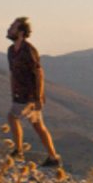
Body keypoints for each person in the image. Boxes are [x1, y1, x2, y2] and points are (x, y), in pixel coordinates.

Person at [6, 16, 60, 168]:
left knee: (12, 117)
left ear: (21, 32)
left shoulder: (28, 50)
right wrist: (12, 92)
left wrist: (38, 97)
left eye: (13, 27)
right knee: (38, 126)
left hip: (29, 95)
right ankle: (53, 157)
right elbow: (12, 73)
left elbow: (39, 73)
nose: (9, 29)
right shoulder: (11, 51)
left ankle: (18, 151)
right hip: (19, 94)